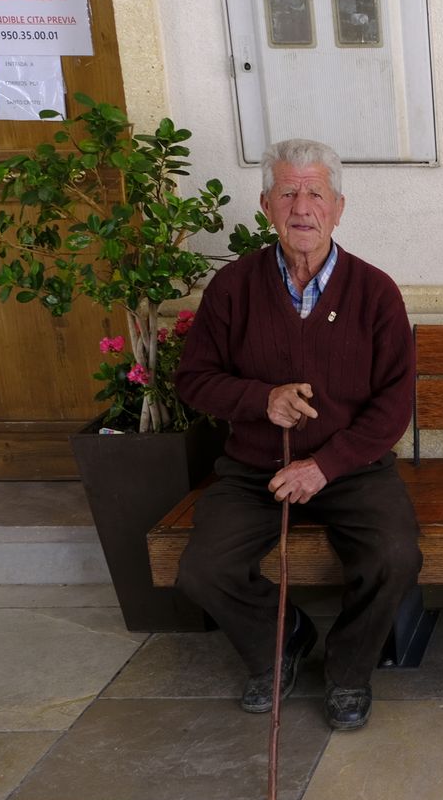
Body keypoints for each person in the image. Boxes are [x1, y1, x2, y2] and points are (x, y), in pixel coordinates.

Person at [174, 138, 420, 731]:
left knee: (394, 555)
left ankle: (349, 671)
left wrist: (327, 465)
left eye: (315, 193)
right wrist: (260, 400)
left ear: (338, 207)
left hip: (351, 467)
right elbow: (194, 379)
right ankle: (281, 642)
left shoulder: (375, 291)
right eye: (288, 192)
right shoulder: (234, 286)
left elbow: (395, 402)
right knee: (201, 569)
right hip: (256, 465)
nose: (301, 206)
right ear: (266, 205)